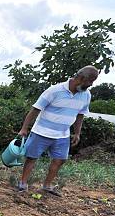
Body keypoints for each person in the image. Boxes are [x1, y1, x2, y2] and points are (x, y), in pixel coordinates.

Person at [17, 66, 99, 196]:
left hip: (62, 134)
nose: (90, 85)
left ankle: (47, 186)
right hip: (41, 132)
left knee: (60, 160)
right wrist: (24, 128)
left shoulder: (86, 95)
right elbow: (35, 109)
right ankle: (23, 184)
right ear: (81, 78)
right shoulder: (54, 90)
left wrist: (77, 133)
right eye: (90, 81)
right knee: (31, 157)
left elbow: (80, 115)